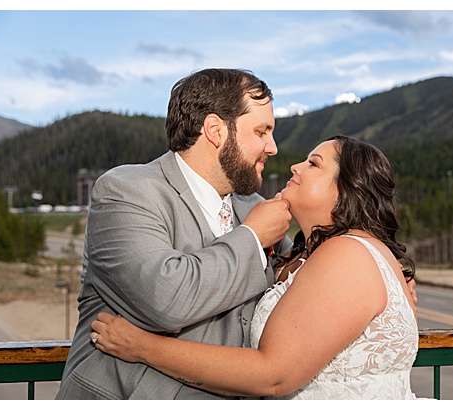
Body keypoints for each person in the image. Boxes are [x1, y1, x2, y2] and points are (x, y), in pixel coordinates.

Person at [92, 136, 419, 399]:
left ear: (346, 190)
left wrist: (142, 347)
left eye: (313, 164)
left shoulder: (347, 254)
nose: (294, 166)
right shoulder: (308, 255)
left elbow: (272, 375)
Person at [55, 68, 295, 399]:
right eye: (261, 131)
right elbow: (166, 300)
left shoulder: (254, 206)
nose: (272, 147)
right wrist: (253, 237)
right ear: (215, 130)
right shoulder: (126, 190)